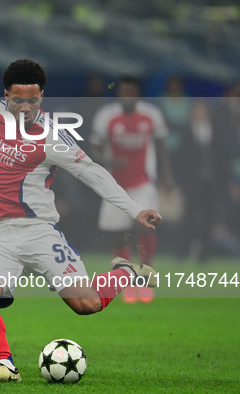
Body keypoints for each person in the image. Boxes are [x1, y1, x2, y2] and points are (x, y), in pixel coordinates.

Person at [0, 55, 162, 382]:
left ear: (41, 96)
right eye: (17, 100)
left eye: (32, 100)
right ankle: (5, 365)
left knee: (86, 304)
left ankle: (125, 272)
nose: (25, 107)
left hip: (39, 232)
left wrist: (134, 209)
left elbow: (94, 174)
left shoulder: (53, 138)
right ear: (6, 95)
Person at [89, 76, 174, 303]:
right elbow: (93, 149)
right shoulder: (106, 116)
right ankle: (124, 283)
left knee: (146, 230)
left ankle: (145, 282)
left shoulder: (151, 115)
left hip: (143, 182)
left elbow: (161, 145)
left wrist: (167, 176)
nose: (128, 96)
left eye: (132, 92)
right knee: (119, 236)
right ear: (119, 94)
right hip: (114, 186)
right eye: (124, 92)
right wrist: (110, 160)